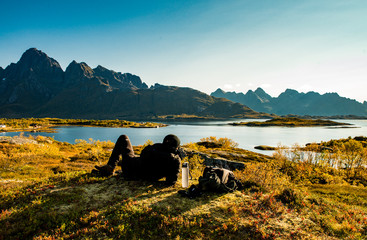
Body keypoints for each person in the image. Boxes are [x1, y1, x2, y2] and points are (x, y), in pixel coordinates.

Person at [93, 134, 183, 186]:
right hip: (144, 176)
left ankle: (110, 167)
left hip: (129, 168)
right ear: (176, 147)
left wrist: (159, 146)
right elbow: (171, 181)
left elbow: (143, 154)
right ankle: (110, 168)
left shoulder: (153, 149)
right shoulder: (175, 160)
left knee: (123, 138)